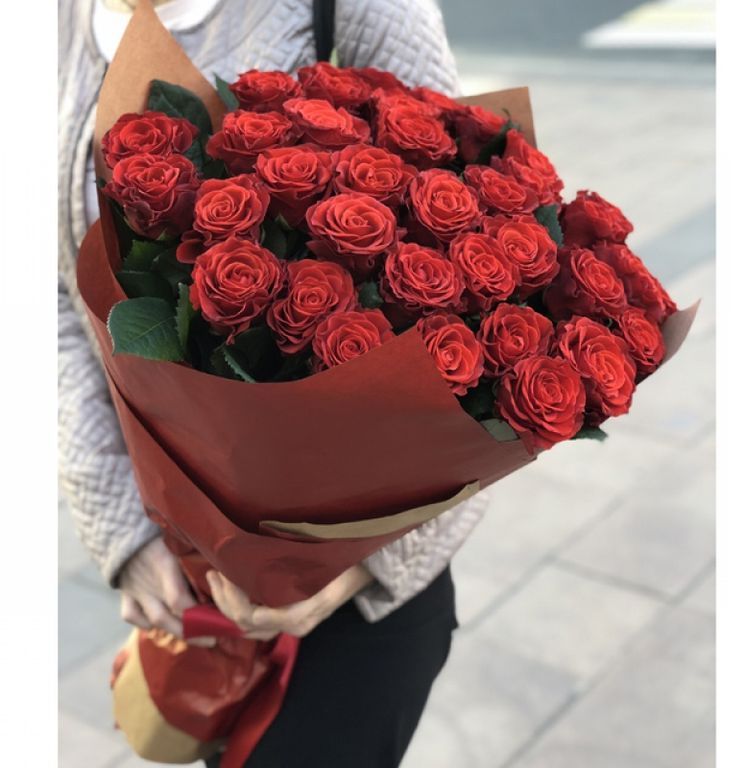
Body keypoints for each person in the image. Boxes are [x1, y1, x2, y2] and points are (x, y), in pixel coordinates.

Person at [58, 0, 489, 764]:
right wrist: (124, 532)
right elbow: (51, 294)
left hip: (352, 585)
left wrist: (358, 568)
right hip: (185, 574)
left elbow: (477, 287)